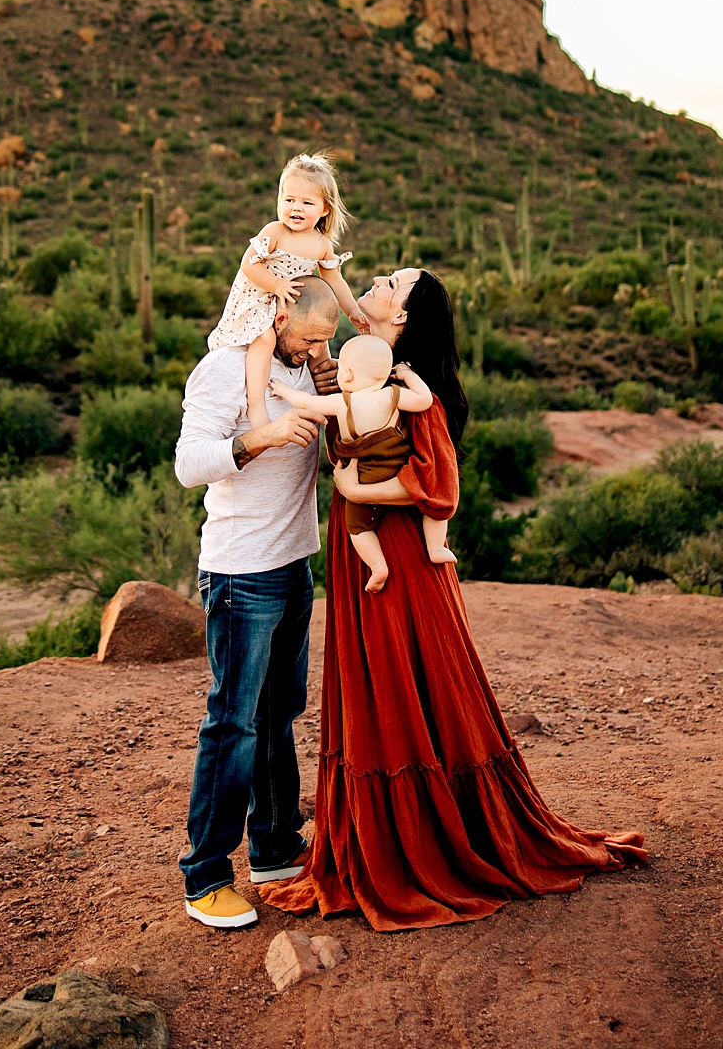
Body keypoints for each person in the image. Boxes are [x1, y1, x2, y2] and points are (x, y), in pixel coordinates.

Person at [261, 267, 646, 931]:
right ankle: (381, 838)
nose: (375, 284)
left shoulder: (417, 390)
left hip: (401, 556)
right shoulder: (366, 371)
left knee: (407, 677)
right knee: (377, 683)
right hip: (366, 551)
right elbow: (339, 430)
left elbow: (433, 486)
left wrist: (354, 494)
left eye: (388, 283)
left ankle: (426, 845)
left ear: (404, 317)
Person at [174, 273, 341, 929]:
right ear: (274, 318)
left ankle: (274, 846)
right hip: (241, 575)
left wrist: (337, 390)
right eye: (310, 337)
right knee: (233, 722)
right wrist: (258, 440)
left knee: (278, 715)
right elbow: (190, 463)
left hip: (292, 566)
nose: (317, 349)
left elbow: (336, 453)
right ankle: (206, 875)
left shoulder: (302, 372)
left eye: (327, 339)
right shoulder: (222, 370)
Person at [272, 333, 454, 593]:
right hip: (395, 472)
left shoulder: (341, 402)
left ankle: (378, 565)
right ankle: (436, 547)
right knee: (431, 507)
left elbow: (306, 402)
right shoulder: (393, 395)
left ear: (346, 375)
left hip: (363, 479)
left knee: (357, 527)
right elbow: (424, 400)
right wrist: (408, 375)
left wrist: (282, 389)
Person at [206, 152, 368, 429]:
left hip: (292, 305)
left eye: (307, 203)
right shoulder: (275, 231)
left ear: (325, 209)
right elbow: (248, 265)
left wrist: (351, 310)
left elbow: (336, 280)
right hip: (261, 295)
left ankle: (328, 401)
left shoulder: (321, 244)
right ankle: (256, 404)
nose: (296, 208)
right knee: (266, 338)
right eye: (289, 200)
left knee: (320, 346)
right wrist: (276, 285)